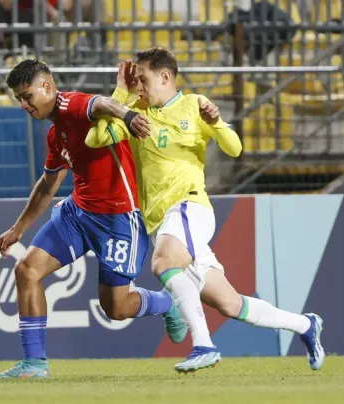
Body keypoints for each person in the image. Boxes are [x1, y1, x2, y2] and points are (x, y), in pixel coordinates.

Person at [86, 48, 325, 373]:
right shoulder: (136, 111)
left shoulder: (194, 105)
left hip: (189, 208)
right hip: (164, 225)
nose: (140, 86)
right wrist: (122, 94)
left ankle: (204, 345)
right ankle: (305, 325)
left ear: (165, 77)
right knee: (230, 304)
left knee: (162, 262)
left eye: (143, 79)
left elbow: (235, 148)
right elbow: (95, 138)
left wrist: (216, 123)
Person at [0, 59, 187, 379]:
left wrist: (129, 115)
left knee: (117, 309)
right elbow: (48, 184)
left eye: (27, 96)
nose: (24, 104)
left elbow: (101, 104)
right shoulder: (56, 134)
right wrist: (18, 228)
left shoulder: (72, 105)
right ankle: (34, 365)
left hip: (120, 218)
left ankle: (166, 303)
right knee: (27, 270)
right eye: (19, 99)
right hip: (78, 214)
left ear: (48, 87)